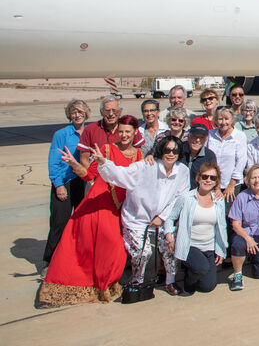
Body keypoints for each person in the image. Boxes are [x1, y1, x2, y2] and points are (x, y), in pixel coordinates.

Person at [39, 114, 143, 306]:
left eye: (127, 131)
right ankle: (99, 285)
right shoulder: (106, 150)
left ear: (135, 132)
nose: (123, 135)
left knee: (115, 250)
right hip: (99, 204)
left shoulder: (139, 154)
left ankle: (106, 281)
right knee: (109, 245)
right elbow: (89, 176)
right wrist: (74, 163)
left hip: (121, 208)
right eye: (120, 131)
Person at [96, 135, 190, 295]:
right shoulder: (145, 167)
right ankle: (137, 282)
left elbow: (179, 197)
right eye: (167, 149)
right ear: (161, 150)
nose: (171, 154)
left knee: (169, 247)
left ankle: (170, 281)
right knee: (143, 252)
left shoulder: (182, 170)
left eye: (175, 150)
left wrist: (162, 217)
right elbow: (120, 174)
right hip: (136, 219)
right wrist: (103, 162)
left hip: (162, 219)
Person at [164, 162, 227, 294]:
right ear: (198, 178)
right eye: (205, 177)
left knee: (207, 287)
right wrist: (169, 235)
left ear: (216, 182)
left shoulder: (219, 200)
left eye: (212, 178)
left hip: (209, 248)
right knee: (201, 268)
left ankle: (195, 270)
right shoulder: (186, 198)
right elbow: (170, 218)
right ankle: (189, 279)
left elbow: (222, 226)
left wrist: (221, 249)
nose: (208, 180)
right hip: (190, 246)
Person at [44, 100, 90, 267]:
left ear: (86, 113)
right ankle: (50, 261)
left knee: (81, 223)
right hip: (65, 182)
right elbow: (53, 161)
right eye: (73, 112)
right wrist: (58, 185)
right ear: (69, 115)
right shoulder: (61, 134)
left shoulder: (89, 132)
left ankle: (75, 257)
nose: (77, 115)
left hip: (83, 182)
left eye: (80, 111)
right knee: (59, 222)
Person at [77, 95, 143, 168]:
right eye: (107, 110)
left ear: (120, 111)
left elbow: (139, 153)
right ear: (101, 112)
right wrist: (91, 178)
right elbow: (84, 159)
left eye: (114, 110)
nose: (111, 114)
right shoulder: (90, 129)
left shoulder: (130, 128)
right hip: (98, 176)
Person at [208, 107, 247, 203]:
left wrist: (231, 185)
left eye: (226, 119)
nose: (223, 122)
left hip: (231, 184)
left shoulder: (239, 136)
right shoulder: (210, 134)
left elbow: (241, 160)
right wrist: (215, 186)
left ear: (232, 120)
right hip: (211, 183)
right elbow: (206, 158)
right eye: (220, 119)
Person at [180, 123, 216, 189]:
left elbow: (212, 178)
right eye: (195, 136)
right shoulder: (179, 150)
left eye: (201, 137)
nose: (197, 140)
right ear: (188, 136)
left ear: (206, 139)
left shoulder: (209, 156)